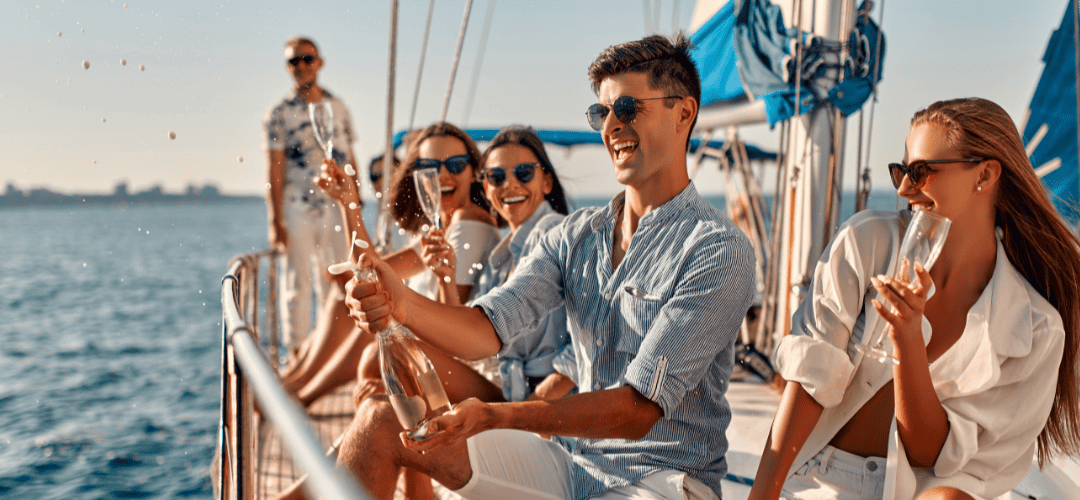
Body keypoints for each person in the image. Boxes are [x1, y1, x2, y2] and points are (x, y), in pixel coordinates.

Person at [338, 34, 755, 500]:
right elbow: (486, 328)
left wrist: (499, 416)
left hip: (661, 480)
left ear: (684, 114)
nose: (611, 126)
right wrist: (400, 300)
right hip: (573, 463)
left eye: (629, 108)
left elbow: (636, 411)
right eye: (603, 113)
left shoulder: (717, 250)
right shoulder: (572, 237)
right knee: (378, 421)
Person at [748, 97, 1080, 500]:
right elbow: (808, 383)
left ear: (986, 174)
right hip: (817, 477)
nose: (905, 188)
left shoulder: (1035, 328)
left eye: (921, 172)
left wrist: (908, 338)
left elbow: (929, 454)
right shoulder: (867, 243)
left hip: (915, 490)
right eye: (901, 171)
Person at [264, 36, 359, 349]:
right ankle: (297, 352)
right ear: (287, 67)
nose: (301, 65)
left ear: (319, 62)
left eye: (307, 58)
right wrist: (275, 220)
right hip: (298, 206)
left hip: (337, 206)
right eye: (294, 61)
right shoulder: (278, 114)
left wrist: (356, 208)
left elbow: (351, 159)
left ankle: (334, 352)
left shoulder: (339, 107)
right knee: (298, 282)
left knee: (340, 279)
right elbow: (274, 170)